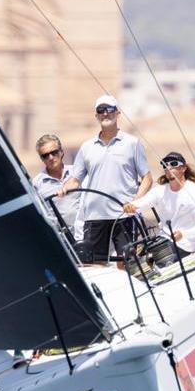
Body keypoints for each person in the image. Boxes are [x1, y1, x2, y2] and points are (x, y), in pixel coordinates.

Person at [59, 95, 152, 264]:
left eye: (109, 110)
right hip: (94, 216)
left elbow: (147, 178)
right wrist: (65, 187)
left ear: (118, 113)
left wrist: (136, 202)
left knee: (127, 263)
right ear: (96, 116)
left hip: (123, 214)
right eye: (101, 111)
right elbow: (75, 179)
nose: (105, 114)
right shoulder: (87, 147)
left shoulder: (132, 143)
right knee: (94, 264)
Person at [123, 151, 195, 256]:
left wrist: (183, 234)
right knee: (139, 261)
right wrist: (130, 207)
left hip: (189, 244)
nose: (168, 168)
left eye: (173, 164)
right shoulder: (159, 191)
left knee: (154, 259)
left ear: (183, 168)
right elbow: (140, 204)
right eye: (165, 166)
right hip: (165, 240)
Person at [32, 134, 80, 241]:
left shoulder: (77, 173)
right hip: (60, 240)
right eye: (45, 155)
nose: (51, 158)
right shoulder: (37, 183)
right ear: (42, 159)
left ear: (61, 152)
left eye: (54, 153)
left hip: (85, 235)